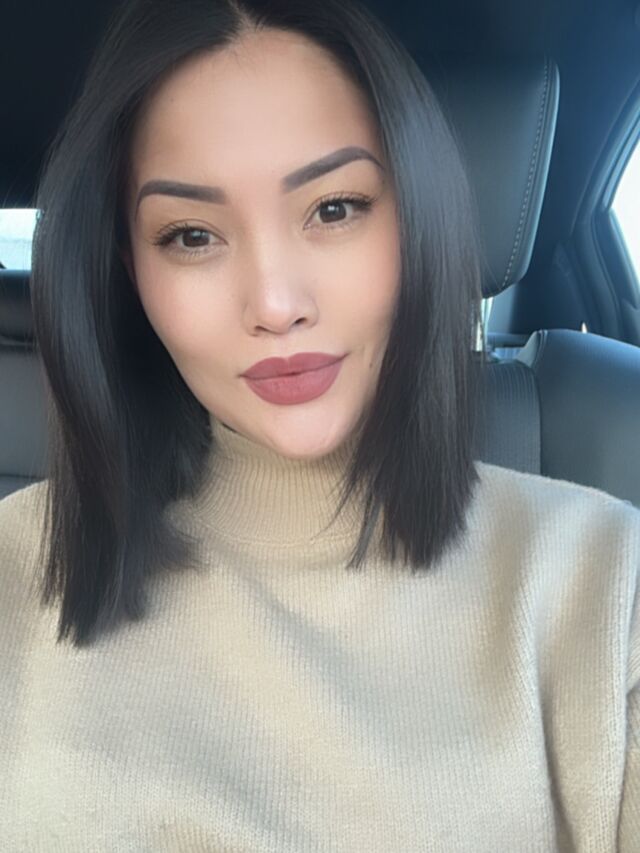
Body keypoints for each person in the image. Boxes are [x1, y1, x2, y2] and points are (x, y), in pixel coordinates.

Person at [0, 0, 638, 849]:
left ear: (417, 215)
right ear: (130, 270)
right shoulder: (12, 571)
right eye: (190, 235)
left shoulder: (607, 586)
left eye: (334, 209)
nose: (274, 303)